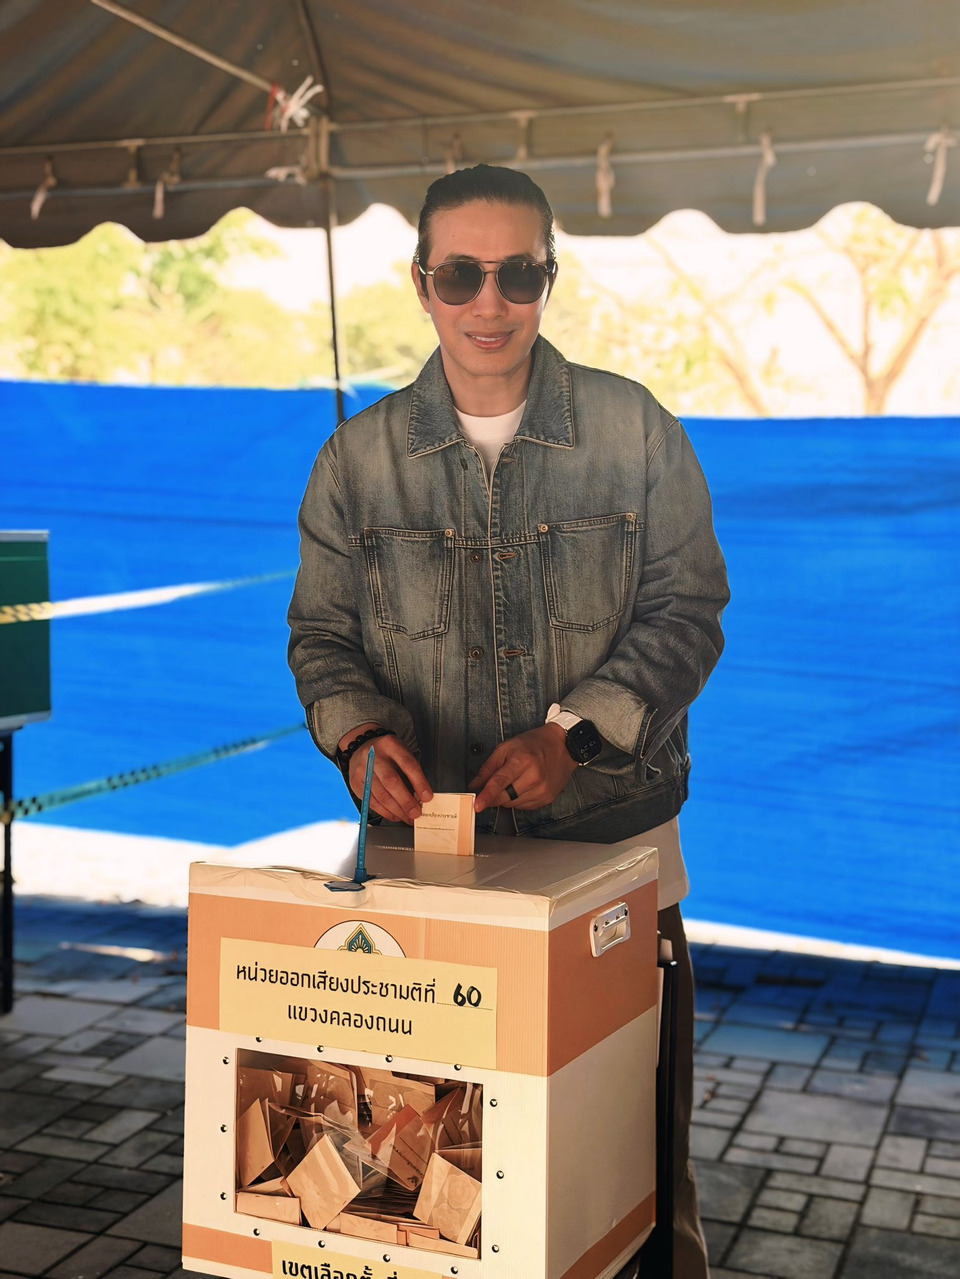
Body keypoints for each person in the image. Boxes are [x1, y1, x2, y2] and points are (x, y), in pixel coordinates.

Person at [288, 163, 729, 1278]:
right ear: (421, 283)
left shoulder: (636, 430)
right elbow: (321, 639)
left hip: (615, 866)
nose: (490, 303)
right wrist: (359, 739)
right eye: (461, 275)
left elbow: (689, 613)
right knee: (428, 1179)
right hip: (425, 881)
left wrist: (574, 733)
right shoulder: (354, 462)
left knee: (631, 1176)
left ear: (549, 278)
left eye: (518, 274)